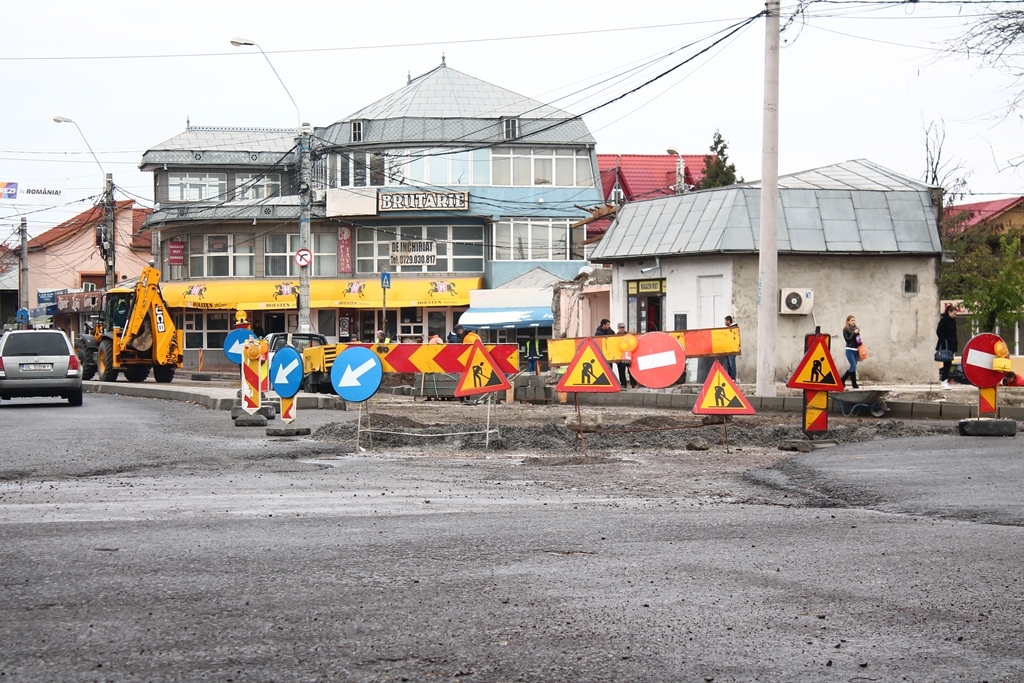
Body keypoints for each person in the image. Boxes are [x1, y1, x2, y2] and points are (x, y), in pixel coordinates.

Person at [936, 304, 959, 390]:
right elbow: (939, 331)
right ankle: (944, 381)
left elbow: (954, 334)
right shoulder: (944, 321)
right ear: (949, 312)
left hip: (951, 345)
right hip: (946, 345)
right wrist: (945, 340)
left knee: (949, 364)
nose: (955, 316)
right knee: (947, 363)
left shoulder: (953, 321)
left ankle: (945, 380)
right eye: (954, 314)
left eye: (956, 314)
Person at [841, 314, 862, 389]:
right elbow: (848, 340)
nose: (853, 322)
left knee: (854, 367)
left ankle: (854, 384)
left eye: (854, 320)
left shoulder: (856, 329)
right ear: (848, 321)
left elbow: (858, 341)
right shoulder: (845, 329)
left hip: (856, 350)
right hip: (849, 350)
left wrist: (859, 338)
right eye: (852, 320)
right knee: (853, 366)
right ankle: (842, 379)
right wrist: (854, 334)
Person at [614, 323, 637, 388]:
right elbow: (614, 347)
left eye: (623, 327)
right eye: (621, 328)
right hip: (620, 356)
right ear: (618, 329)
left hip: (628, 355)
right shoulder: (615, 337)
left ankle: (634, 384)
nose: (622, 329)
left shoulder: (629, 336)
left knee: (631, 371)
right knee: (621, 371)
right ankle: (623, 384)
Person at [722, 315, 737, 380]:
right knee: (728, 364)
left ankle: (733, 378)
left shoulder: (734, 328)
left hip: (732, 349)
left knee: (731, 364)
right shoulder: (728, 329)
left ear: (728, 321)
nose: (725, 322)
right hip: (728, 349)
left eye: (725, 321)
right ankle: (730, 377)